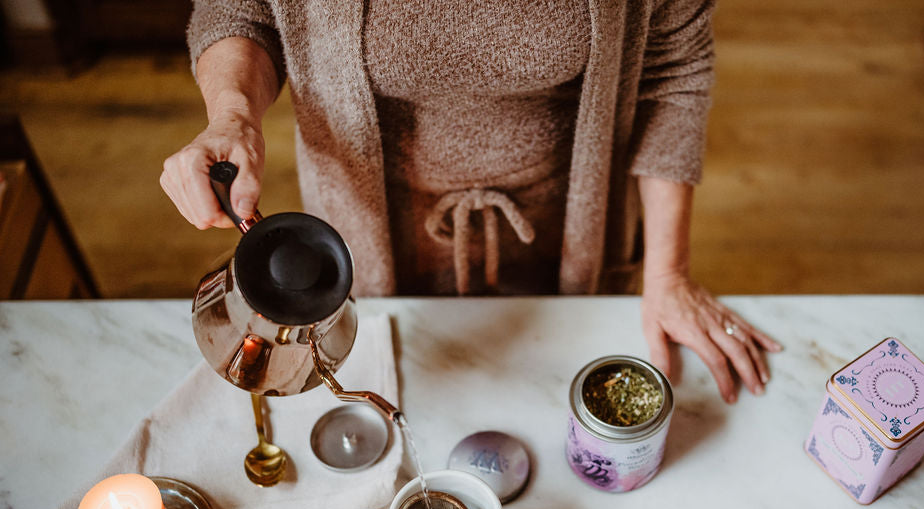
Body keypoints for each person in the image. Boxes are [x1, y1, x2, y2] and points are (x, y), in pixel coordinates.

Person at [160, 0, 781, 403]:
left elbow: (673, 68)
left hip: (569, 225)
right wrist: (234, 113)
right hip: (368, 229)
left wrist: (668, 274)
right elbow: (240, 12)